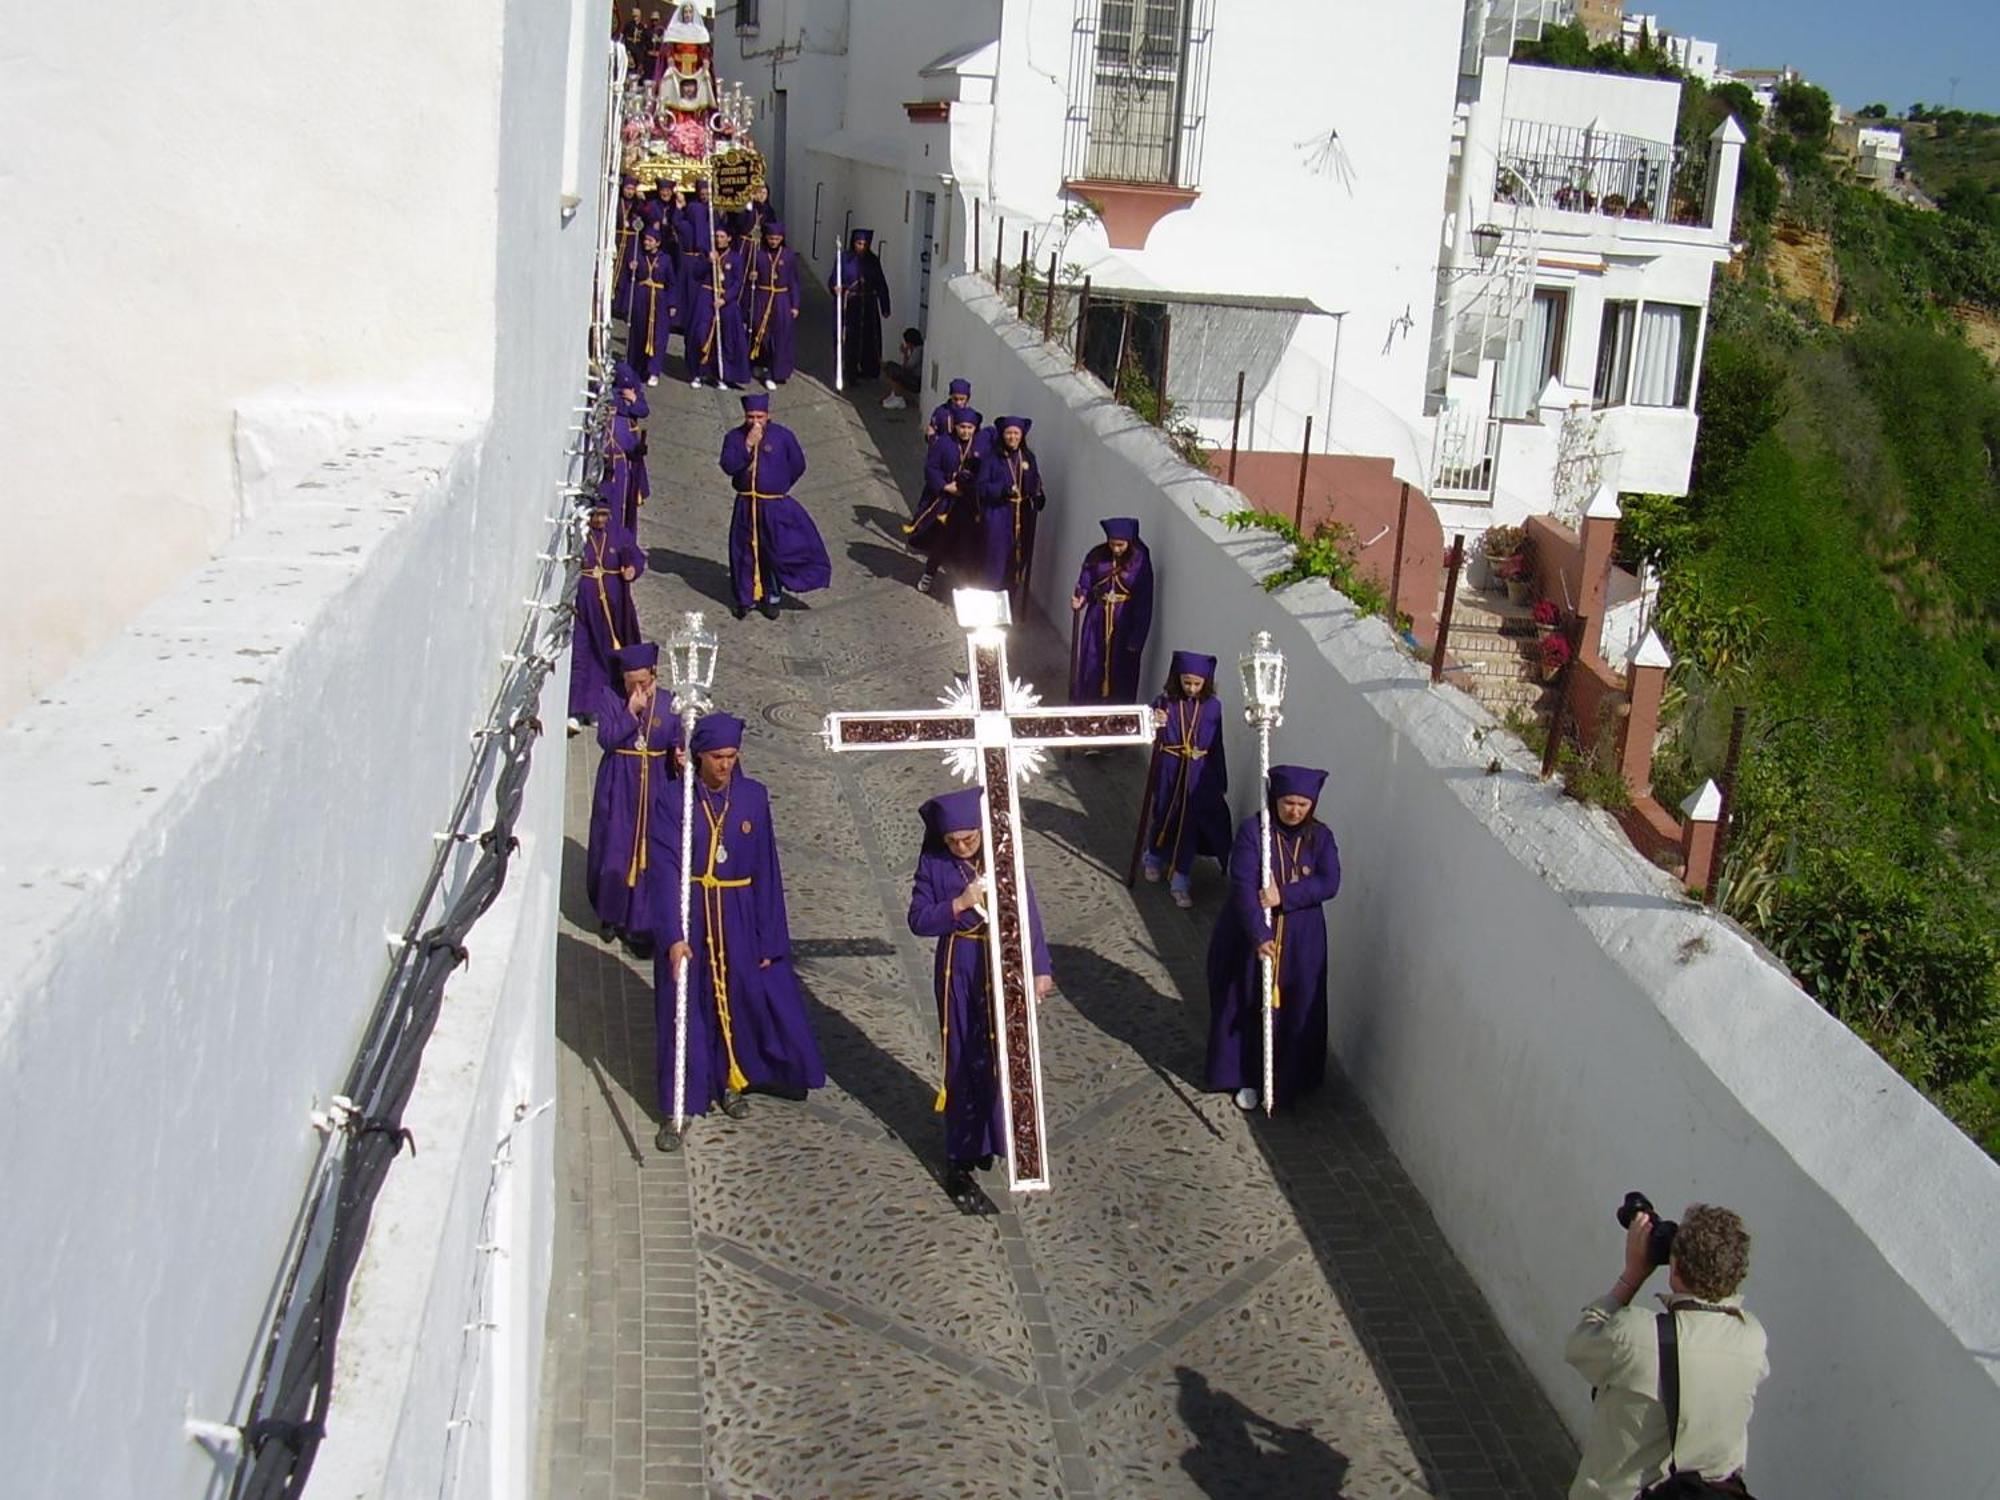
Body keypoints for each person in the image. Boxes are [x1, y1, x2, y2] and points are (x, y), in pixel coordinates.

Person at [650, 712, 826, 1151]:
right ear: (699, 756)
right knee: (687, 1008)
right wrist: (673, 936)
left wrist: (769, 938)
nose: (725, 766)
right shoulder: (675, 801)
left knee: (739, 998)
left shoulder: (752, 798)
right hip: (692, 913)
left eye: (731, 756)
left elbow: (767, 868)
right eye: (716, 757)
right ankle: (680, 1103)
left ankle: (732, 1079)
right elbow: (665, 872)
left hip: (739, 912)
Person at [906, 786, 1054, 1207]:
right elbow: (918, 919)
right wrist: (957, 904)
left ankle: (994, 1137)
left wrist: (1040, 967)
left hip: (999, 962)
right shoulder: (934, 863)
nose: (961, 847)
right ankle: (960, 1153)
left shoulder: (1001, 855)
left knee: (1003, 1052)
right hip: (959, 963)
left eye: (968, 839)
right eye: (953, 842)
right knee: (961, 1055)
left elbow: (1026, 908)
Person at [1566, 1204, 1769, 1499]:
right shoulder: (1752, 1338)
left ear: (1674, 1269)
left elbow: (1579, 1345)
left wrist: (1632, 1274)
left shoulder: (1635, 1334)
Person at [1204, 765, 1340, 1111]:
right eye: (1288, 803)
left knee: (1297, 1006)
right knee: (1249, 1003)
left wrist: (1286, 895)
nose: (1294, 810)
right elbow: (1243, 885)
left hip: (1301, 942)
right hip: (1253, 938)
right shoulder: (1255, 832)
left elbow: (1329, 882)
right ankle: (1246, 1075)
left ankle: (1289, 1077)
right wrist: (1259, 933)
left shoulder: (1321, 837)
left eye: (1301, 804)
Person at [585, 642, 681, 958]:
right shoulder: (611, 699)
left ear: (654, 675)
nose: (637, 688)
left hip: (655, 786)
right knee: (614, 848)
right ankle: (610, 913)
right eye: (631, 682)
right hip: (619, 784)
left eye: (643, 682)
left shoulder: (670, 704)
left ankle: (641, 923)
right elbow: (606, 739)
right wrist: (630, 714)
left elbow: (679, 741)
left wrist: (680, 756)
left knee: (649, 854)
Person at [717, 393, 832, 619]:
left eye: (759, 416)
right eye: (750, 416)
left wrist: (778, 486)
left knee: (775, 552)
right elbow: (728, 465)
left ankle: (772, 597)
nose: (755, 421)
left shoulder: (783, 437)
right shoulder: (734, 437)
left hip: (773, 506)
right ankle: (745, 598)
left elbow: (798, 465)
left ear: (768, 415)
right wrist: (748, 445)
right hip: (746, 505)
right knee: (744, 552)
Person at [1140, 651, 1230, 907]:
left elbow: (1217, 744)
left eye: (1196, 683)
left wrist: (1221, 780)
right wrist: (1154, 719)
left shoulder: (1213, 707)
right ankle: (1154, 855)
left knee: (1190, 822)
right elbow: (1146, 721)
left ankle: (1181, 878)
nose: (1191, 688)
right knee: (1164, 811)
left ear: (1206, 682)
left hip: (1198, 771)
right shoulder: (1166, 701)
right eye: (1186, 682)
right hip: (1170, 765)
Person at [567, 501, 644, 734]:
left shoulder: (617, 533)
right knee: (581, 655)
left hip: (612, 610)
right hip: (582, 606)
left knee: (607, 657)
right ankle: (575, 710)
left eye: (604, 515)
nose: (600, 520)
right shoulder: (578, 532)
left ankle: (599, 709)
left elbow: (634, 555)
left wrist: (632, 568)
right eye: (596, 515)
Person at [1069, 518, 1153, 706]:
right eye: (1112, 544)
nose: (1116, 549)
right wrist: (1081, 597)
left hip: (1124, 621)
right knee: (1092, 663)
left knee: (1121, 669)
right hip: (1097, 618)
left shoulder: (1140, 561)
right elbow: (1086, 581)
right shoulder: (1097, 555)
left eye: (1120, 545)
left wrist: (1137, 637)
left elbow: (1144, 600)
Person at [971, 415, 1046, 611]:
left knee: (1016, 562)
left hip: (1022, 517)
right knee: (995, 562)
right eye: (1009, 433)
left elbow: (1035, 482)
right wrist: (1002, 490)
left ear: (1022, 436)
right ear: (1002, 435)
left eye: (1016, 433)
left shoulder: (1028, 457)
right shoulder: (992, 458)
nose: (1012, 437)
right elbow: (981, 487)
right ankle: (988, 608)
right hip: (998, 516)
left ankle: (1008, 607)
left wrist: (1038, 496)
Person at [908, 406, 986, 596]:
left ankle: (967, 585)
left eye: (970, 428)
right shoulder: (943, 443)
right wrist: (944, 486)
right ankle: (929, 573)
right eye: (962, 427)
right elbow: (931, 469)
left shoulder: (981, 446)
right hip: (946, 503)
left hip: (968, 503)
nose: (966, 431)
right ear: (955, 427)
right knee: (941, 541)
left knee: (969, 545)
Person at [681, 225, 750, 388]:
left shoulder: (736, 258)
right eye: (717, 236)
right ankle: (698, 373)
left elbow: (737, 282)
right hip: (705, 296)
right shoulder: (706, 254)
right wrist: (707, 262)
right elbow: (696, 274)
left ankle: (721, 375)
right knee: (699, 334)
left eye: (722, 236)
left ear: (729, 238)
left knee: (725, 338)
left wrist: (725, 298)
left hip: (726, 301)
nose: (719, 239)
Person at [742, 219, 801, 390]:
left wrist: (795, 305)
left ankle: (777, 372)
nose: (773, 241)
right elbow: (748, 280)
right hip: (763, 296)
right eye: (770, 238)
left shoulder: (788, 255)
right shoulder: (758, 255)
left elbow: (794, 282)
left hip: (782, 299)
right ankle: (763, 367)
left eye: (776, 238)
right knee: (762, 333)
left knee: (781, 336)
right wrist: (752, 276)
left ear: (782, 238)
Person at [829, 227, 892, 386]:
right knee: (850, 338)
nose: (861, 247)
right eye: (859, 243)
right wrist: (835, 288)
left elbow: (880, 283)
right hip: (850, 304)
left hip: (869, 304)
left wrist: (885, 305)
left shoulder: (873, 260)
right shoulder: (844, 258)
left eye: (865, 244)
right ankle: (849, 373)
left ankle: (868, 370)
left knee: (869, 338)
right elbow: (834, 278)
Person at [624, 222, 679, 386]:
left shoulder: (666, 260)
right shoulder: (638, 256)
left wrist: (672, 304)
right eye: (645, 240)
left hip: (659, 300)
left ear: (658, 243)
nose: (646, 243)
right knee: (639, 332)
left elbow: (672, 283)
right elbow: (630, 279)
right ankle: (636, 366)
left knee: (658, 336)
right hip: (641, 299)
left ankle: (653, 370)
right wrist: (631, 268)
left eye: (650, 240)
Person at [881, 326, 923, 410]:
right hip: (913, 377)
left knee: (893, 371)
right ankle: (895, 394)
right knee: (889, 366)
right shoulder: (916, 350)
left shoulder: (918, 351)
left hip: (915, 381)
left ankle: (898, 398)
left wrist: (905, 353)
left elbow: (907, 367)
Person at [926, 378, 975, 446]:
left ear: (968, 398)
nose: (958, 402)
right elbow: (931, 433)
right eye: (955, 399)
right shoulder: (941, 412)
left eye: (962, 399)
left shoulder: (971, 415)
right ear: (950, 396)